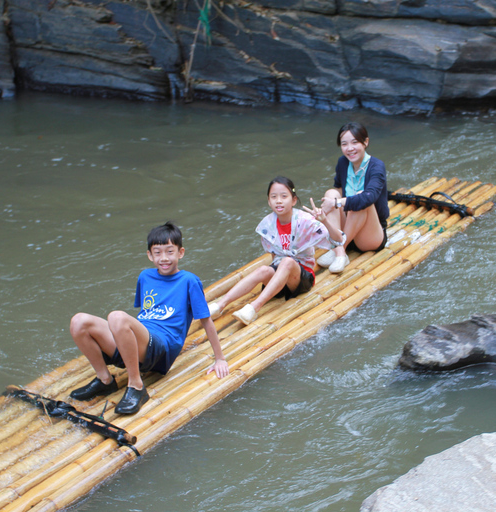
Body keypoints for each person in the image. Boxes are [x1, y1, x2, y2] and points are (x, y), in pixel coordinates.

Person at [68, 222, 229, 415]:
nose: (164, 258)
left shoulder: (189, 281)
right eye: (158, 253)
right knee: (79, 322)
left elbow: (205, 320)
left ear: (181, 252)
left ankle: (136, 385)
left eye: (170, 252)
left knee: (116, 317)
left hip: (162, 348)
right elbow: (144, 314)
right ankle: (105, 381)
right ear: (149, 255)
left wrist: (220, 359)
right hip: (140, 343)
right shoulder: (145, 277)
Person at [208, 176, 345, 326]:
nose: (278, 200)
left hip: (302, 278)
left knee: (287, 262)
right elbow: (274, 257)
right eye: (274, 197)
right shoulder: (267, 224)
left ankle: (254, 307)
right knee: (263, 270)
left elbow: (338, 240)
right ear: (268, 201)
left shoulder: (305, 220)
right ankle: (220, 306)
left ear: (293, 200)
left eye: (284, 196)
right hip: (280, 277)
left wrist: (324, 220)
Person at [316, 121, 389, 273]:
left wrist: (337, 203)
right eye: (344, 144)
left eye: (355, 142)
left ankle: (340, 248)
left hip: (369, 236)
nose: (349, 149)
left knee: (360, 199)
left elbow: (369, 197)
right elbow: (338, 190)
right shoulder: (343, 162)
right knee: (331, 193)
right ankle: (340, 251)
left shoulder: (377, 166)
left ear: (366, 142)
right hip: (347, 227)